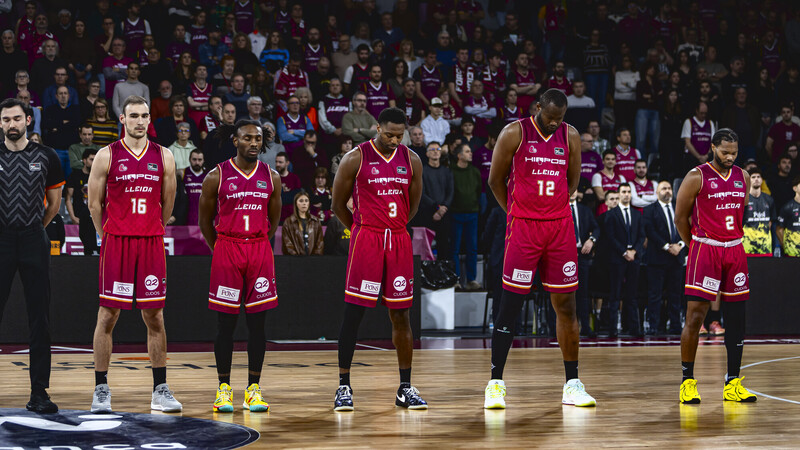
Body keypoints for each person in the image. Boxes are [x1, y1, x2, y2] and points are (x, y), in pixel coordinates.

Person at [484, 89, 595, 409]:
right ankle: (495, 382)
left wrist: (551, 208)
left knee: (567, 307)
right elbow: (495, 180)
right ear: (537, 109)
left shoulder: (570, 135)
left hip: (559, 228)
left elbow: (572, 181)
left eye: (559, 119)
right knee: (510, 305)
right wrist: (516, 212)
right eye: (549, 119)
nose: (553, 125)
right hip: (524, 229)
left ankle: (572, 384)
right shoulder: (514, 132)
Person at [87, 95, 182, 414]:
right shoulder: (106, 155)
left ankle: (160, 389)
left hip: (151, 242)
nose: (141, 121)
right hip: (118, 243)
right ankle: (101, 388)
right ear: (122, 120)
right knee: (108, 315)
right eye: (134, 116)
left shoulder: (164, 155)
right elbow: (94, 204)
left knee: (155, 315)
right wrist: (108, 236)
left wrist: (152, 227)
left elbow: (168, 203)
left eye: (145, 116)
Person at [330, 107, 426, 411]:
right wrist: (361, 228)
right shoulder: (355, 158)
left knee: (401, 316)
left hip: (397, 238)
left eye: (400, 135)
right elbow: (337, 205)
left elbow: (412, 206)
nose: (395, 140)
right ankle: (344, 386)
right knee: (354, 314)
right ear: (376, 128)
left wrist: (393, 227)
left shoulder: (412, 160)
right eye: (389, 134)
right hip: (366, 238)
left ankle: (405, 387)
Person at [198, 119, 281, 413]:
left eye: (258, 139)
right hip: (227, 249)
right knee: (226, 324)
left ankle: (253, 389)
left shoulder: (271, 176)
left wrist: (257, 241)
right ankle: (223, 389)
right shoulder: (216, 176)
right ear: (235, 141)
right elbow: (204, 221)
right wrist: (221, 247)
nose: (254, 143)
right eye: (248, 138)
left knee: (258, 324)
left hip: (258, 249)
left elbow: (274, 219)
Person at [674, 128, 757, 404]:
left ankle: (732, 383)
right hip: (705, 249)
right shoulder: (696, 175)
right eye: (725, 152)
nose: (731, 157)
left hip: (734, 250)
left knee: (736, 319)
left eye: (734, 152)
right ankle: (687, 382)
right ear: (712, 148)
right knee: (695, 318)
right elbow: (680, 218)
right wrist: (696, 244)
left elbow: (740, 210)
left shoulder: (742, 177)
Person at [0, 98, 63, 413]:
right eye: (6, 120)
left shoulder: (46, 155)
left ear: (27, 120)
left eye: (16, 118)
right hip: (1, 240)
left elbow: (54, 203)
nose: (11, 124)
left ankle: (39, 392)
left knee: (40, 318)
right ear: (1, 124)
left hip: (33, 239)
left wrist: (34, 228)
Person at [643, 181, 686, 335]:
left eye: (669, 188)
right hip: (657, 258)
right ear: (657, 192)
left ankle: (675, 325)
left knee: (675, 294)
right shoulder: (649, 210)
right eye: (663, 189)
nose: (667, 191)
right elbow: (650, 231)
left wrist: (680, 245)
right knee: (655, 295)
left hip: (676, 257)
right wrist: (668, 246)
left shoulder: (679, 207)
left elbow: (687, 227)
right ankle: (654, 326)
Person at [604, 184, 645, 337]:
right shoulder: (612, 214)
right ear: (619, 194)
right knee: (615, 295)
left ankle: (634, 329)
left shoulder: (637, 214)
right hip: (617, 258)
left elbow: (642, 236)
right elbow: (610, 237)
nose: (626, 194)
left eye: (628, 192)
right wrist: (623, 252)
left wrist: (634, 251)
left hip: (634, 258)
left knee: (632, 295)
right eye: (623, 192)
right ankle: (613, 330)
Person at [450, 143, 481, 290]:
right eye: (467, 151)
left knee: (472, 248)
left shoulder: (475, 171)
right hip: (455, 213)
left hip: (472, 213)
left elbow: (479, 190)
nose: (471, 154)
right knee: (454, 249)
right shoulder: (451, 171)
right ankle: (456, 280)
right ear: (459, 155)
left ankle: (471, 280)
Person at [570, 190, 599, 338]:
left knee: (583, 293)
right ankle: (556, 328)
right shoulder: (558, 208)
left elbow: (596, 228)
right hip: (563, 256)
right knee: (562, 294)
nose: (573, 192)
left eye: (575, 189)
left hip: (582, 255)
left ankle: (586, 327)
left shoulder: (585, 210)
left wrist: (591, 239)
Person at [65, 148, 99, 254]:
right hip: (80, 217)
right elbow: (68, 198)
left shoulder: (99, 177)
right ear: (84, 160)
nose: (94, 162)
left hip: (96, 218)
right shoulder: (75, 175)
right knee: (85, 251)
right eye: (91, 159)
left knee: (97, 251)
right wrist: (73, 217)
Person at [742, 168, 775, 257]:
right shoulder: (743, 200)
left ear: (762, 180)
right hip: (747, 248)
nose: (756, 179)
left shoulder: (769, 200)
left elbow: (771, 222)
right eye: (753, 177)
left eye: (758, 177)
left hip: (766, 248)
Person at [282, 191, 324, 255]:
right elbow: (287, 244)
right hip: (294, 261)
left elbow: (320, 243)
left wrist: (315, 258)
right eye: (301, 201)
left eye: (306, 201)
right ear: (296, 203)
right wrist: (297, 259)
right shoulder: (288, 222)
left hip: (313, 261)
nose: (304, 203)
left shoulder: (316, 221)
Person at [682, 102, 716, 172]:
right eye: (701, 113)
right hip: (692, 158)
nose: (703, 115)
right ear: (696, 111)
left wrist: (706, 156)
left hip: (707, 158)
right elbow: (687, 143)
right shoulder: (689, 122)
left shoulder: (710, 123)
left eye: (705, 113)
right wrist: (699, 157)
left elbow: (713, 142)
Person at [275, 152, 302, 222]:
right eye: (276, 162)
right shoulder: (272, 178)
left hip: (292, 218)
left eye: (280, 162)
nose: (277, 164)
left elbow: (297, 197)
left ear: (287, 163)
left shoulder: (294, 178)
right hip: (276, 218)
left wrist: (281, 197)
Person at [777, 176, 800, 257]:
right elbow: (779, 229)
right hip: (792, 252)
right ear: (795, 188)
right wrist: (786, 246)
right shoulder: (787, 207)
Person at [183, 149, 207, 227]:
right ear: (189, 159)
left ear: (203, 160)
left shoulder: (210, 175)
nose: (197, 162)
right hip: (187, 217)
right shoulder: (182, 173)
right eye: (194, 159)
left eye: (200, 160)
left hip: (205, 218)